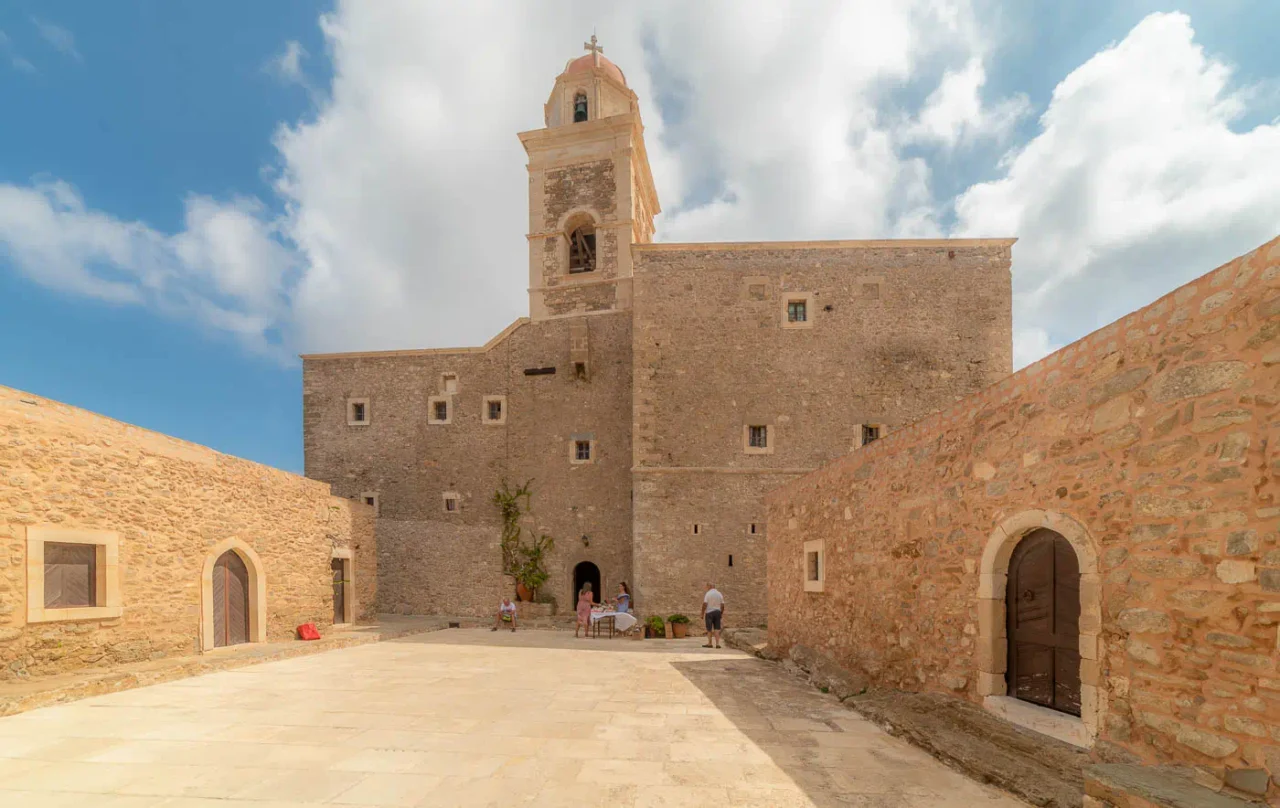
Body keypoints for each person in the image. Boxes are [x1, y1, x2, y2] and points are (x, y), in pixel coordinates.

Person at [701, 582, 725, 649]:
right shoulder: (719, 594)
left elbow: (705, 604)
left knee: (709, 629)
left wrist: (702, 613)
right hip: (717, 612)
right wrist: (721, 613)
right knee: (717, 629)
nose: (706, 587)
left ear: (709, 586)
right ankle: (717, 644)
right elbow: (722, 605)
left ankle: (710, 643)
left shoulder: (708, 593)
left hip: (709, 613)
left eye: (707, 586)